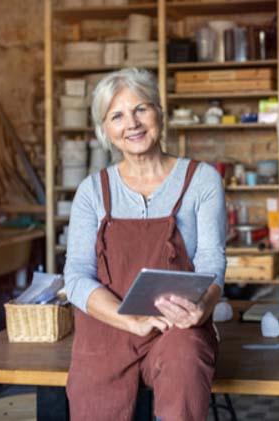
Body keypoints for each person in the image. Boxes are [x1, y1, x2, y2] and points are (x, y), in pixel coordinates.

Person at [63, 67, 226, 421]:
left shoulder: (202, 180)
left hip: (176, 326)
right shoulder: (92, 191)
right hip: (108, 328)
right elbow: (75, 277)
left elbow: (212, 259)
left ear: (159, 113)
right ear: (104, 130)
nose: (132, 123)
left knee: (185, 359)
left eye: (141, 108)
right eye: (117, 115)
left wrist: (204, 306)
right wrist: (131, 320)